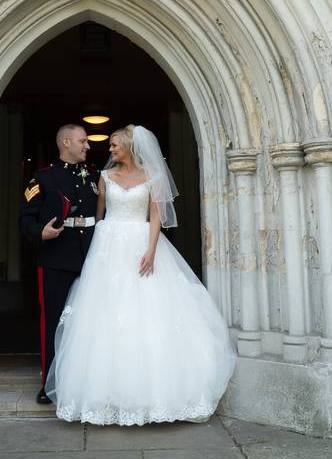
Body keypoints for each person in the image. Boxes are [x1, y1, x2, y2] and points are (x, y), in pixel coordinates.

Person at [45, 124, 236, 425]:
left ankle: (155, 397)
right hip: (110, 247)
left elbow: (156, 215)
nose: (109, 150)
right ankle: (105, 397)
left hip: (142, 242)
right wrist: (96, 255)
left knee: (149, 311)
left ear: (131, 147)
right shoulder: (104, 178)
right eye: (109, 146)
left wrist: (151, 250)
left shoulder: (152, 177)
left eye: (114, 145)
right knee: (107, 314)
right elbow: (99, 216)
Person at [19, 123, 99, 405]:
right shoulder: (43, 178)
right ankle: (49, 384)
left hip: (92, 257)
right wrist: (40, 232)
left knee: (90, 321)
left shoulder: (95, 177)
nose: (87, 146)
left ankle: (88, 380)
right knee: (53, 322)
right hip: (55, 258)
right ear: (66, 142)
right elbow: (25, 220)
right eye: (82, 141)